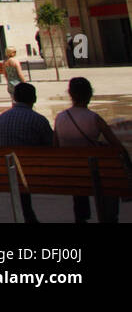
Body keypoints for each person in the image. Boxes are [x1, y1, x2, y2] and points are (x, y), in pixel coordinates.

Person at [54, 77, 126, 223]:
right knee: (110, 176)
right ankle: (109, 217)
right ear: (89, 95)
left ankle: (81, 217)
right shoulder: (94, 118)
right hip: (95, 173)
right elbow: (117, 147)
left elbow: (55, 147)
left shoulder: (60, 118)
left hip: (73, 173)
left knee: (80, 175)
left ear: (71, 94)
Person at [0, 82, 51, 223]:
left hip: (6, 171)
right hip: (33, 173)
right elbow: (51, 145)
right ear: (34, 99)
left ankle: (28, 215)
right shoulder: (38, 120)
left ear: (15, 98)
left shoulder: (2, 118)